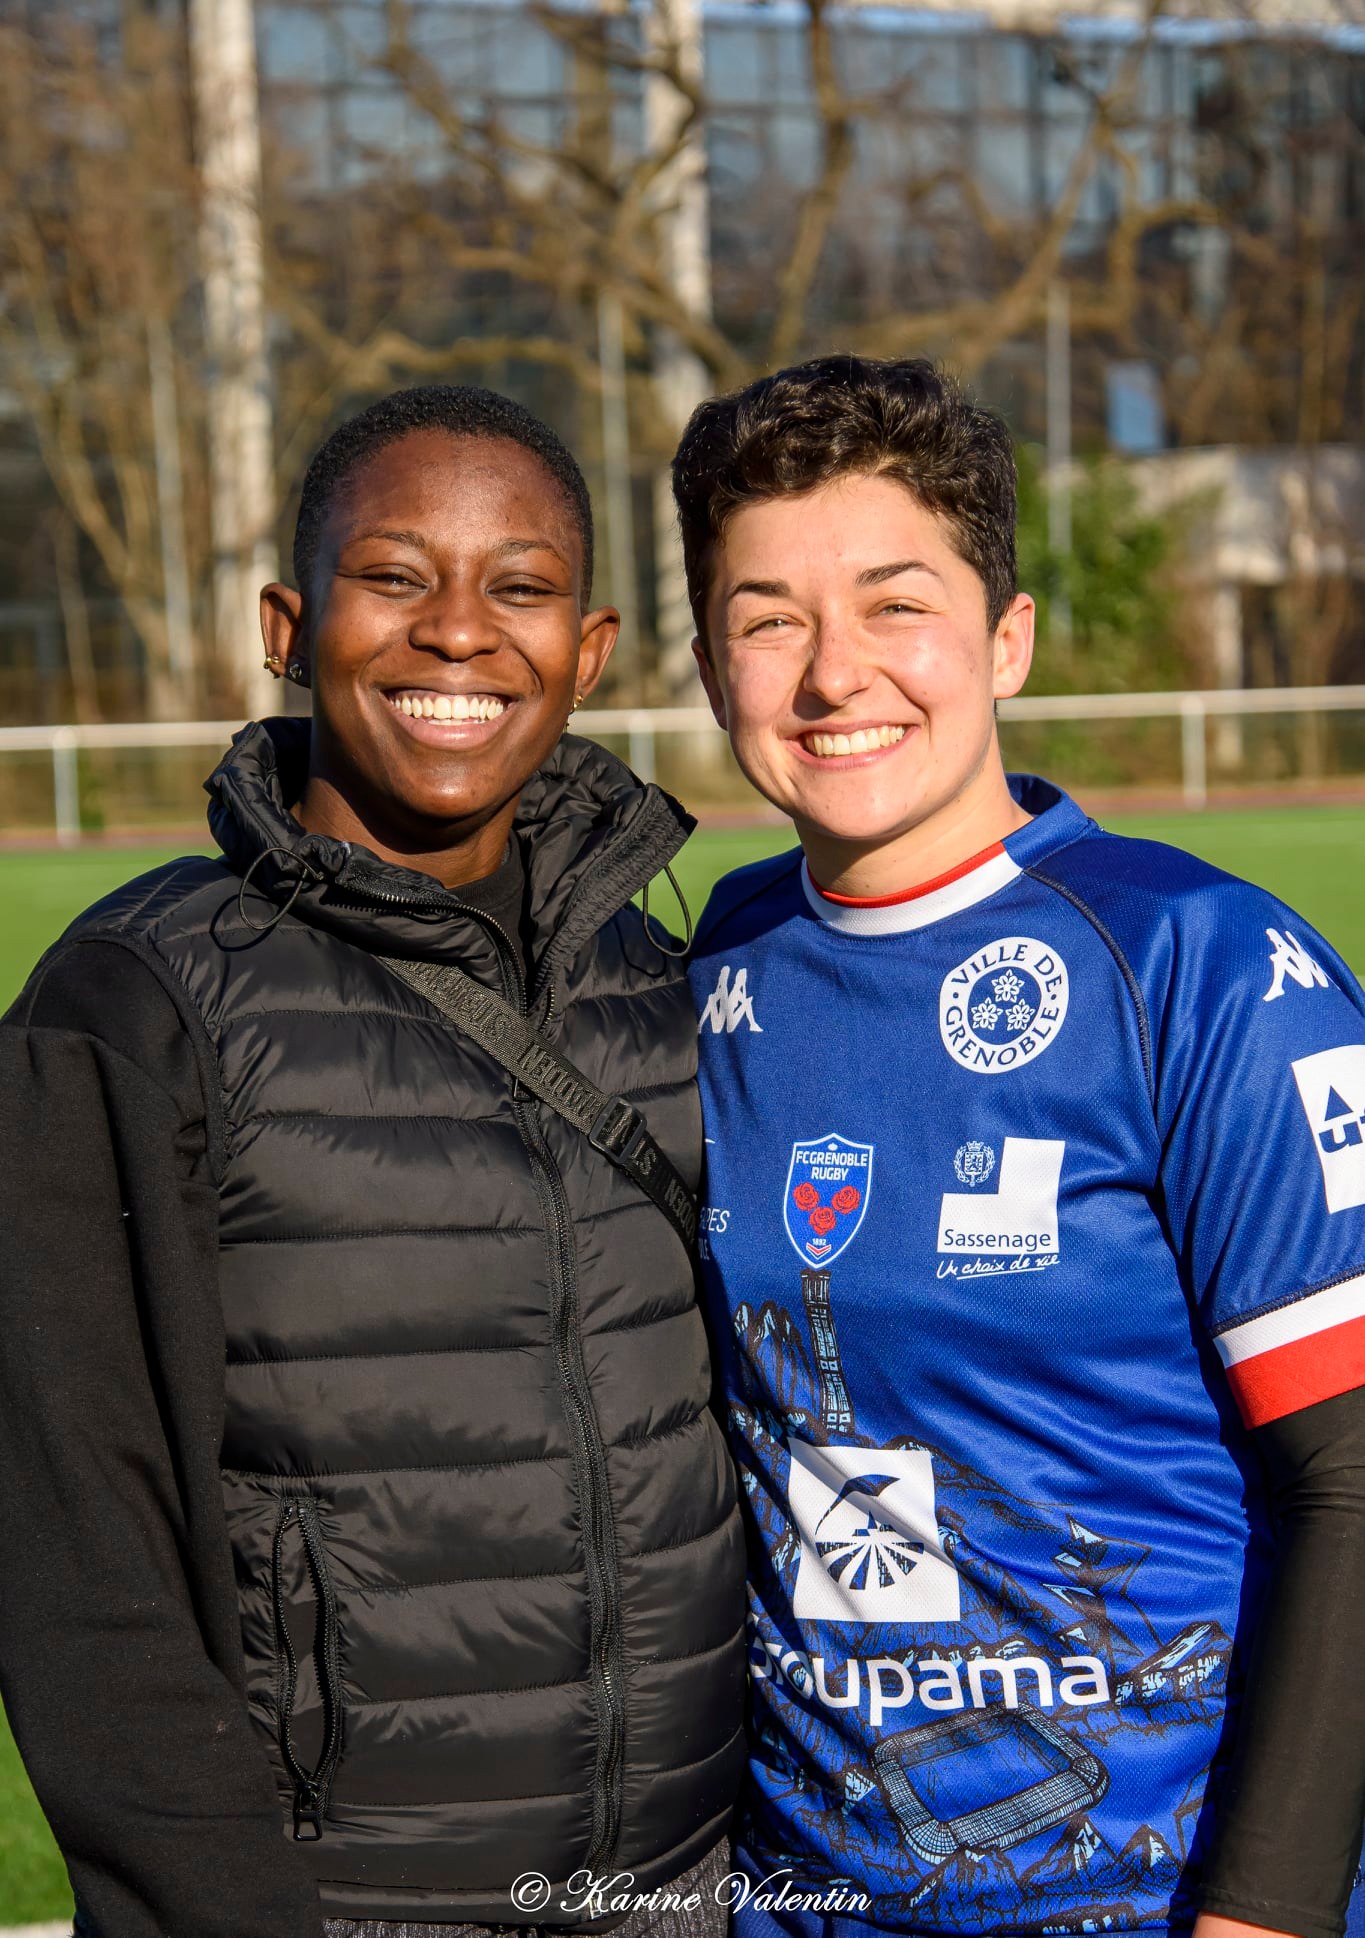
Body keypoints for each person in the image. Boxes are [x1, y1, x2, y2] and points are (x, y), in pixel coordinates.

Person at [0, 384, 745, 1938]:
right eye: (394, 576)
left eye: (519, 587)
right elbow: (75, 1549)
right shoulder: (133, 1003)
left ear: (589, 650)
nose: (459, 633)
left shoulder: (665, 975)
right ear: (288, 622)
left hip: (687, 1886)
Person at [672, 355, 1365, 1938]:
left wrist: (1256, 1917)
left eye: (894, 602)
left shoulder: (1197, 964)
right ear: (713, 675)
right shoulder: (713, 968)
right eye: (768, 617)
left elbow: (1353, 1479)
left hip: (1151, 1898)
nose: (834, 671)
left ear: (1008, 637)